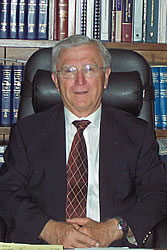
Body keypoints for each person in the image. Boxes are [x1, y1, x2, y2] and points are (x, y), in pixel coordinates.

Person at [0, 35, 167, 248]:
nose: (80, 81)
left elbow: (158, 194)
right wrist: (51, 230)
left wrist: (114, 228)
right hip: (46, 243)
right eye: (69, 71)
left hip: (113, 244)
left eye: (89, 69)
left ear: (106, 77)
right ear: (56, 81)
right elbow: (6, 192)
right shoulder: (28, 132)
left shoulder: (137, 133)